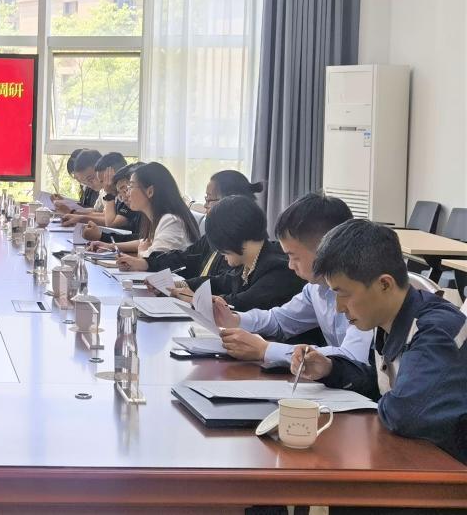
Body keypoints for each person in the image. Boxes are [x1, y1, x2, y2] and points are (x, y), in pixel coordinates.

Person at [293, 220, 467, 464]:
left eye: (343, 294)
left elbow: (405, 412)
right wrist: (331, 369)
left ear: (384, 284)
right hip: (419, 457)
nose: (339, 308)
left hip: (450, 469)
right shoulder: (388, 319)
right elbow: (384, 385)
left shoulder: (436, 331)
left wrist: (384, 401)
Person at [211, 192, 372, 368]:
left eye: (294, 257)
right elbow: (280, 320)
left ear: (325, 250)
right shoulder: (315, 288)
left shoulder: (365, 290)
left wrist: (265, 350)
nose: (290, 265)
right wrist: (235, 320)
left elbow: (352, 356)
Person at [108, 170, 263, 283]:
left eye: (209, 200)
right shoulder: (211, 238)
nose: (206, 206)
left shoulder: (242, 247)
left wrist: (184, 286)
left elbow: (222, 283)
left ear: (230, 201)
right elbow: (184, 257)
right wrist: (145, 263)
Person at [173, 195, 305, 311]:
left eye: (221, 248)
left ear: (232, 236)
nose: (220, 253)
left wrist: (195, 299)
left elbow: (242, 304)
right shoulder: (250, 261)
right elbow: (219, 282)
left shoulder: (279, 267)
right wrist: (180, 285)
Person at [90, 162, 199, 259]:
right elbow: (145, 242)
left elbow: (154, 261)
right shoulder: (157, 217)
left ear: (150, 191)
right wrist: (110, 246)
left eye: (131, 187)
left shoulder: (170, 220)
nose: (127, 194)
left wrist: (141, 252)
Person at [54, 149, 102, 215]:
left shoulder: (109, 189)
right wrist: (66, 203)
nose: (89, 184)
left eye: (90, 179)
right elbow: (95, 210)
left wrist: (72, 212)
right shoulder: (102, 191)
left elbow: (106, 217)